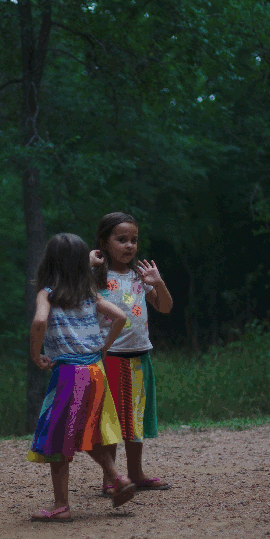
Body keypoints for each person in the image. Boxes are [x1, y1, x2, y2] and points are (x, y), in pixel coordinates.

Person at [27, 233, 137, 522]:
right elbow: (120, 316)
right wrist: (103, 347)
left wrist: (35, 354)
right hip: (95, 371)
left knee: (59, 439)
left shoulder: (47, 294)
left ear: (48, 263)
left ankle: (61, 506)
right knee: (86, 431)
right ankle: (118, 479)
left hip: (68, 375)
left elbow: (40, 321)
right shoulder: (89, 292)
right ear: (80, 265)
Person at [89, 212, 174, 496]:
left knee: (136, 416)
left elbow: (165, 307)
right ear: (104, 241)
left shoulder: (140, 275)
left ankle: (135, 474)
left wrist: (158, 282)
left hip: (139, 355)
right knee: (110, 419)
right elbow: (65, 288)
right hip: (109, 355)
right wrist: (85, 265)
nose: (129, 246)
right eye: (121, 239)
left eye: (133, 240)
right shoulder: (95, 277)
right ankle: (111, 478)